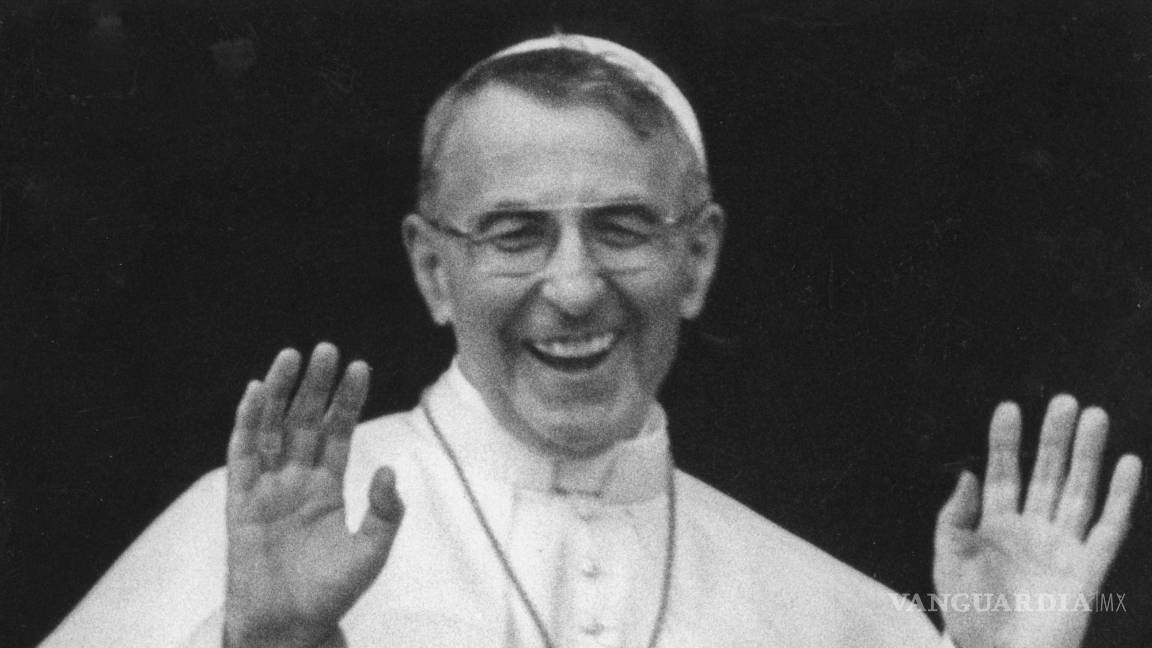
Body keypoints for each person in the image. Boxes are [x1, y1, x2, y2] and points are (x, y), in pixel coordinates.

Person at [39, 34, 1142, 648]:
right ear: (435, 266)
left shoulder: (835, 612)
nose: (574, 288)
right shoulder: (245, 551)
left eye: (623, 227)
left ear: (698, 256)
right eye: (515, 234)